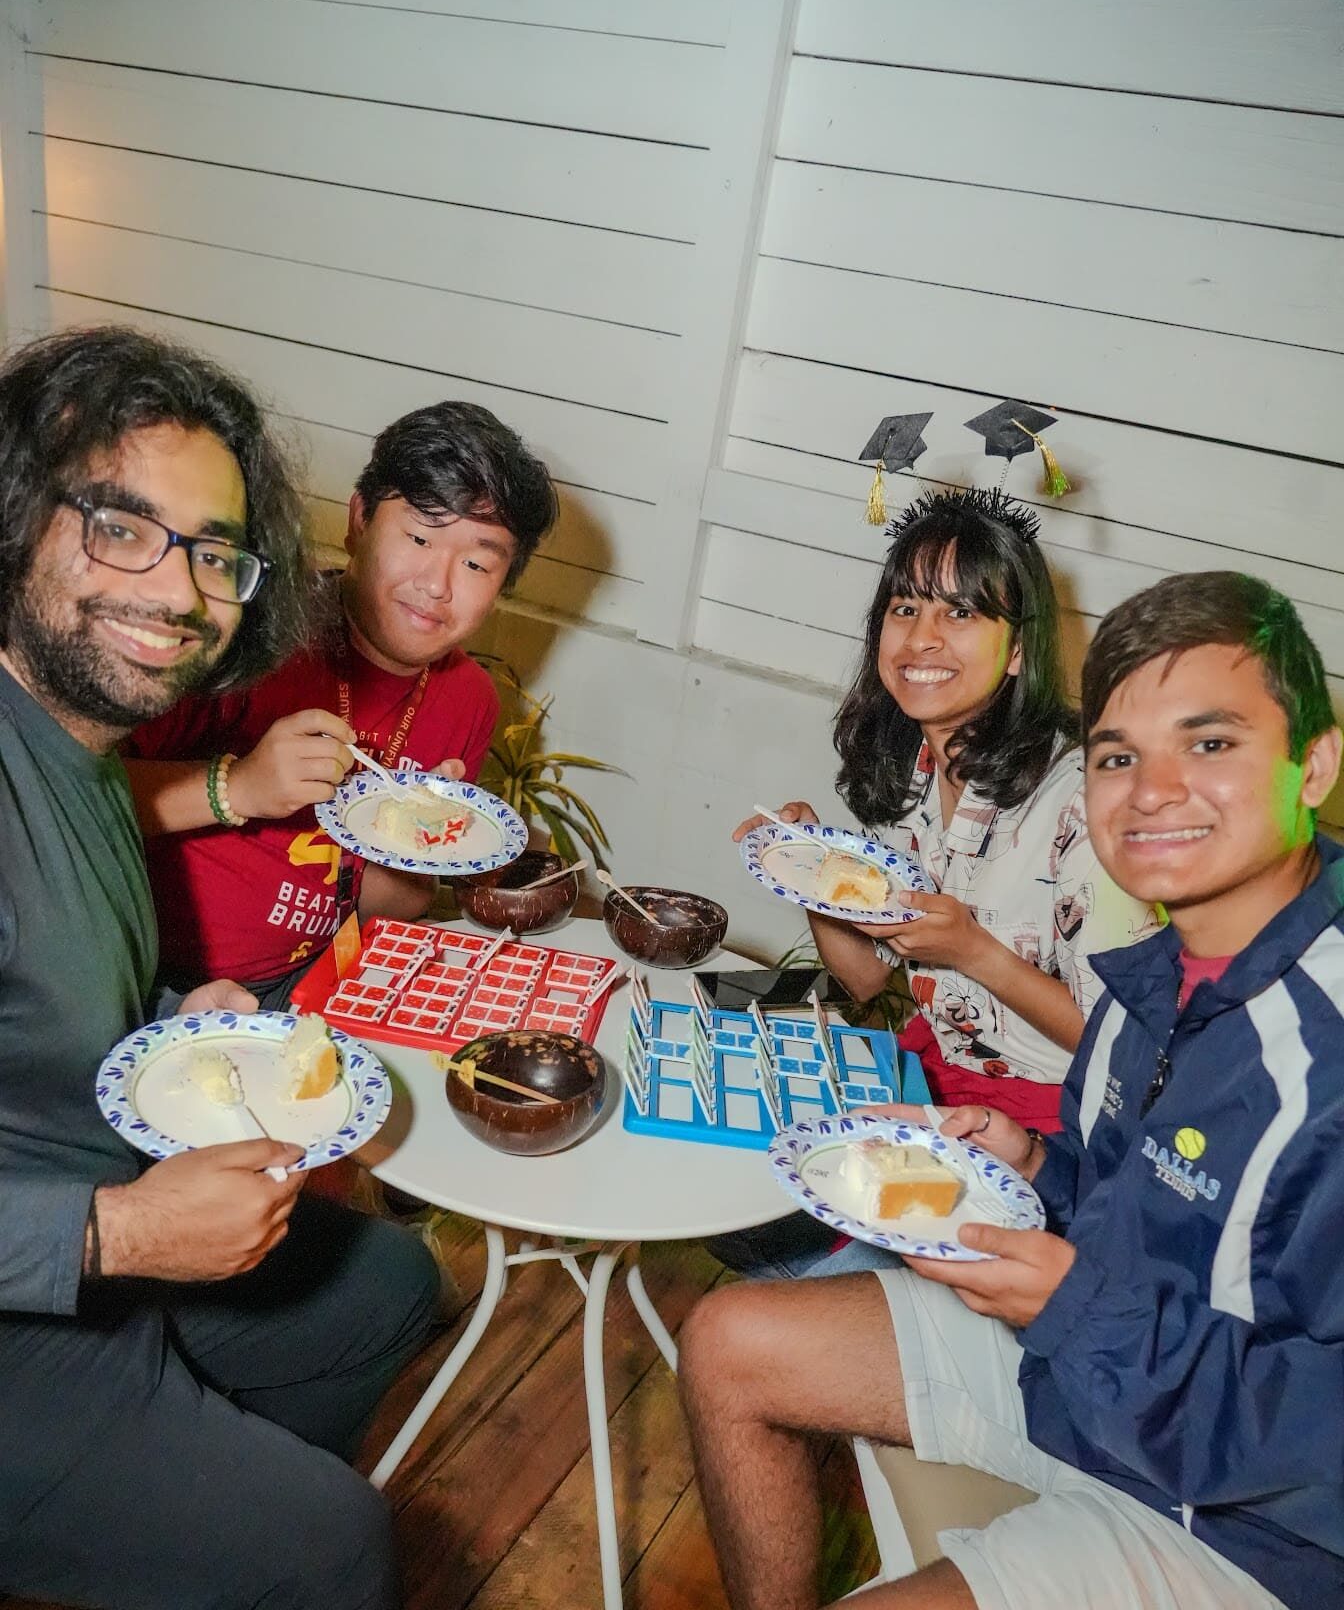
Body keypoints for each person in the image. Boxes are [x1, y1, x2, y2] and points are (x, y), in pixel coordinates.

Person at [679, 569, 1344, 1610]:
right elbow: (1133, 1194)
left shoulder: (1327, 1040)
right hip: (1087, 1371)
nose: (1154, 788)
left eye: (1210, 742)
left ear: (1315, 764)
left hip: (1252, 1526)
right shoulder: (1155, 973)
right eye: (1120, 755)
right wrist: (1034, 1161)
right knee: (726, 1338)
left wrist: (1081, 1312)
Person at [0, 325, 439, 1609]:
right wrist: (116, 1228)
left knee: (388, 1282)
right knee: (333, 1548)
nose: (179, 591)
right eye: (121, 526)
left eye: (212, 554)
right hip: (43, 1275)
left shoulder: (74, 742)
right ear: (21, 512)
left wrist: (172, 1019)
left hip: (85, 1219)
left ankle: (169, 1526)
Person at [739, 489, 1155, 1138]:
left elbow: (1125, 1047)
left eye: (960, 611)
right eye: (905, 608)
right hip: (935, 1074)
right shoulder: (913, 769)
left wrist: (971, 950)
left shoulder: (1086, 799)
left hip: (1055, 1123)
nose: (922, 638)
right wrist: (814, 874)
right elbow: (867, 976)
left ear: (1018, 649)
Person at [124, 400, 558, 1010]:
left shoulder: (468, 701)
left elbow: (391, 903)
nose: (438, 584)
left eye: (477, 562)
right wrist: (239, 787)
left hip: (310, 983)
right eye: (418, 535)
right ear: (358, 521)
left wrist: (416, 840)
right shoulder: (247, 632)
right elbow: (75, 799)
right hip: (147, 980)